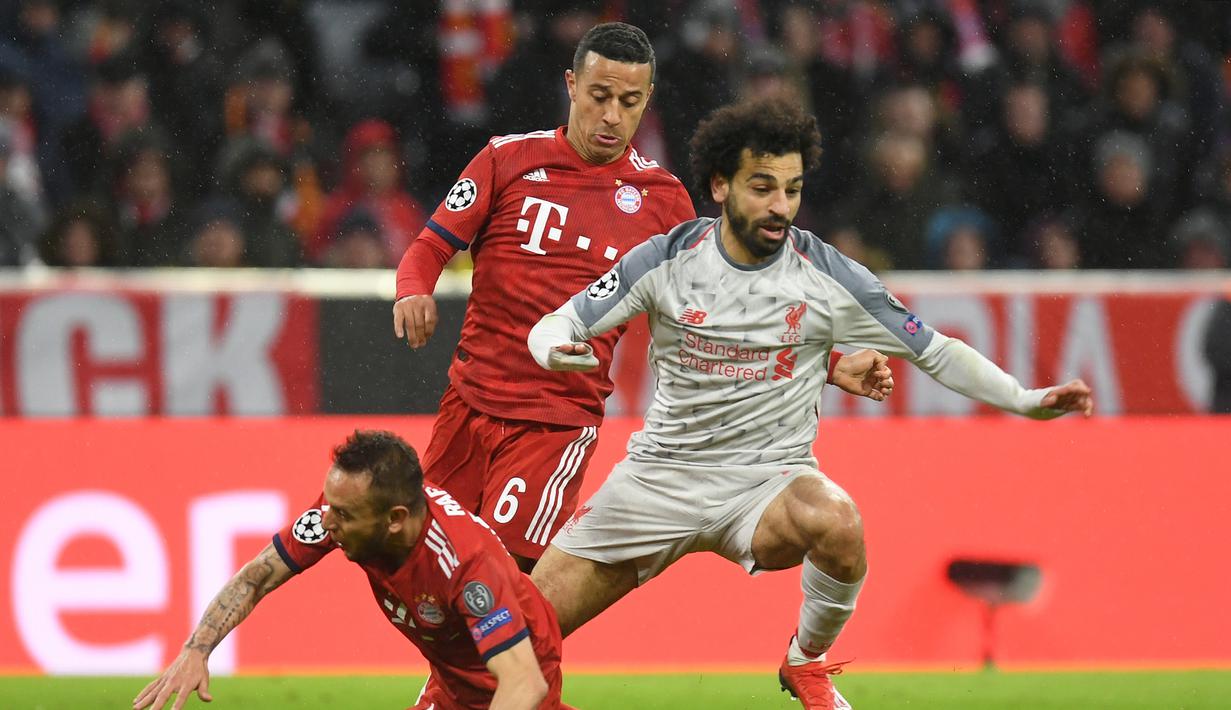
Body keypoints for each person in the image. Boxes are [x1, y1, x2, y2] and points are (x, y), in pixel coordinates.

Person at [526, 97, 1094, 710]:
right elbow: (556, 324)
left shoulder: (829, 277)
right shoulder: (666, 259)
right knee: (516, 638)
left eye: (792, 189)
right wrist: (555, 349)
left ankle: (807, 663)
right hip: (657, 481)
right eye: (762, 187)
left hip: (765, 484)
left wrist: (1025, 399)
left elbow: (934, 351)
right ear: (720, 185)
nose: (780, 207)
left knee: (839, 523)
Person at [390, 22, 695, 572]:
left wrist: (829, 360)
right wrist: (413, 292)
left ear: (647, 99)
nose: (612, 116)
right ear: (572, 85)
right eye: (600, 96)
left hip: (554, 422)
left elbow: (719, 309)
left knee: (501, 587)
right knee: (431, 580)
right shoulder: (507, 160)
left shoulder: (663, 202)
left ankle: (532, 661)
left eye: (629, 102)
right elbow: (428, 248)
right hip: (468, 404)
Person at [133, 430, 565, 710]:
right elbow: (257, 576)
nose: (325, 523)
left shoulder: (465, 564)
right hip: (452, 684)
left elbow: (525, 683)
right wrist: (197, 649)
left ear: (394, 519)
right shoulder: (348, 515)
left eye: (341, 514)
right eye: (328, 506)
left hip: (513, 690)